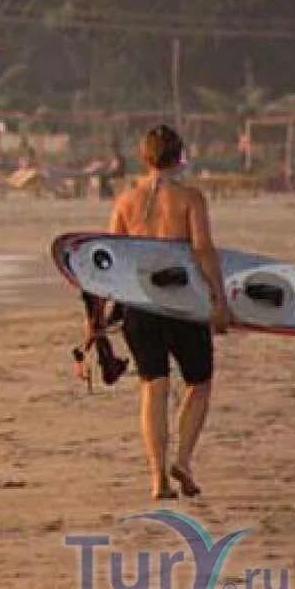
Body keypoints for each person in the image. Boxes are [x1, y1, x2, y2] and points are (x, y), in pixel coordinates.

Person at [102, 124, 227, 500]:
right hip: (182, 303)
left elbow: (111, 257)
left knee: (153, 387)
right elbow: (203, 249)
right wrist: (218, 300)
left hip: (139, 303)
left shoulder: (125, 201)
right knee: (199, 383)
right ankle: (183, 462)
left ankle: (158, 479)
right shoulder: (190, 198)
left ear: (144, 156)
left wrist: (100, 315)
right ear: (180, 155)